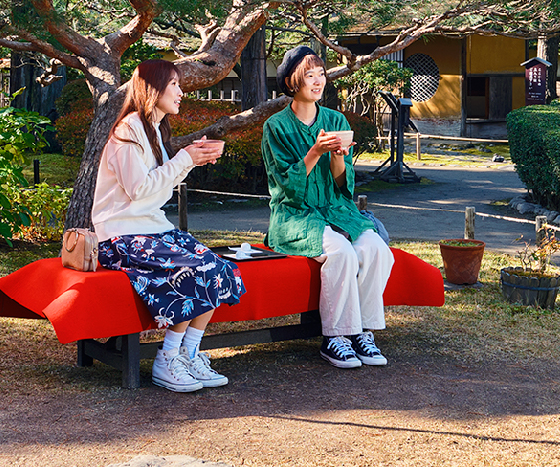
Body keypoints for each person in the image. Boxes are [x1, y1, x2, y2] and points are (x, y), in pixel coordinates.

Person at [93, 59, 246, 392]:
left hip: (150, 228)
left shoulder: (155, 130)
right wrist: (186, 158)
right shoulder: (129, 128)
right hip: (120, 235)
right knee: (198, 268)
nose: (180, 92)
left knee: (220, 269)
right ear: (154, 89)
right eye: (174, 85)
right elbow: (138, 190)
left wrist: (191, 159)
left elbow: (156, 193)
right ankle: (167, 360)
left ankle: (188, 354)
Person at [261, 46, 395, 369]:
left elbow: (342, 187)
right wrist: (314, 152)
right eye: (310, 75)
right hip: (294, 216)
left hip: (335, 209)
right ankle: (335, 337)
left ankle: (362, 330)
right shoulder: (275, 127)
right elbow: (285, 188)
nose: (318, 80)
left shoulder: (335, 119)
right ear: (293, 81)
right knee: (341, 252)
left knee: (376, 248)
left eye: (321, 74)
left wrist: (337, 157)